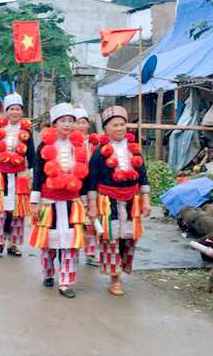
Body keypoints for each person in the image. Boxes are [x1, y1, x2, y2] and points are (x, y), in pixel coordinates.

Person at [87, 105, 151, 296]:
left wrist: (146, 200)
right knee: (111, 240)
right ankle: (115, 278)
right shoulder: (99, 152)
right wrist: (92, 206)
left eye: (122, 124)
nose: (119, 128)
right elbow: (91, 180)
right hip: (108, 201)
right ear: (106, 129)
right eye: (115, 125)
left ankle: (122, 269)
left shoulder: (134, 151)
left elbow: (143, 177)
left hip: (132, 200)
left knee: (129, 239)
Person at [29, 103, 89, 299]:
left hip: (72, 201)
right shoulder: (44, 147)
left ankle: (65, 282)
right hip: (49, 201)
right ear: (54, 123)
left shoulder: (79, 146)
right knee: (48, 242)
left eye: (71, 121)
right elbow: (38, 174)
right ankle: (48, 273)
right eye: (63, 121)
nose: (67, 125)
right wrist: (35, 201)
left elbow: (85, 176)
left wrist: (87, 201)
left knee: (71, 242)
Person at [0, 92, 36, 257]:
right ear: (6, 111)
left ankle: (13, 244)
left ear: (22, 111)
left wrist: (33, 175)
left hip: (19, 175)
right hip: (0, 175)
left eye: (18, 109)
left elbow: (31, 155)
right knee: (0, 211)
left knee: (17, 212)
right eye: (12, 109)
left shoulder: (26, 132)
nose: (15, 112)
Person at [73, 107, 99, 267]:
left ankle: (90, 253)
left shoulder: (94, 143)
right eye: (78, 123)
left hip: (91, 186)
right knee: (75, 220)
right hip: (75, 186)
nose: (81, 126)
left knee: (91, 221)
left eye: (84, 122)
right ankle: (74, 249)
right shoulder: (69, 143)